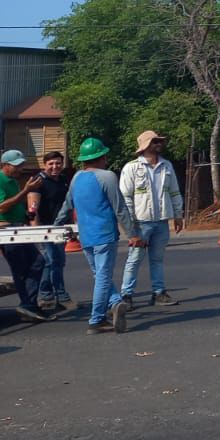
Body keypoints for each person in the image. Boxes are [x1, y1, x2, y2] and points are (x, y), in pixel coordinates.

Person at [66, 137, 141, 334]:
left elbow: (68, 204)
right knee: (103, 277)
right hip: (104, 235)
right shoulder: (107, 176)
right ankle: (97, 319)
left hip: (86, 236)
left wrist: (57, 226)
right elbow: (120, 208)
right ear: (101, 157)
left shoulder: (76, 178)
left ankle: (115, 302)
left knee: (99, 275)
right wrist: (132, 234)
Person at [118, 129, 184, 308]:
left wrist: (178, 215)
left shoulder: (166, 166)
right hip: (140, 223)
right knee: (134, 259)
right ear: (146, 145)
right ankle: (126, 295)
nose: (159, 144)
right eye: (155, 141)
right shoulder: (132, 167)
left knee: (157, 259)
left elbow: (174, 192)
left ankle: (158, 292)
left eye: (159, 141)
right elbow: (126, 197)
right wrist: (130, 225)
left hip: (161, 221)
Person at [0, 149, 47, 323]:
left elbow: (14, 205)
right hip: (4, 229)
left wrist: (25, 215)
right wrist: (26, 191)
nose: (20, 169)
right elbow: (1, 207)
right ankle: (27, 305)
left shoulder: (12, 181)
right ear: (4, 165)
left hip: (16, 227)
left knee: (37, 262)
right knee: (21, 267)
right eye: (16, 166)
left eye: (21, 165)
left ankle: (29, 304)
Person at [28, 149, 72, 312]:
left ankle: (53, 294)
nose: (55, 166)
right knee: (51, 260)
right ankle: (52, 295)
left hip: (60, 227)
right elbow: (33, 208)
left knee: (58, 261)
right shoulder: (38, 181)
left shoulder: (63, 180)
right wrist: (36, 230)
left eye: (58, 163)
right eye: (51, 164)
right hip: (45, 228)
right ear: (44, 165)